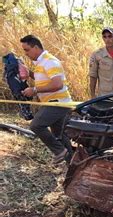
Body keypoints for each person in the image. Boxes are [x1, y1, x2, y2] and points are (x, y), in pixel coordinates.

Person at [20, 34, 72, 164]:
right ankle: (74, 164)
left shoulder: (49, 61)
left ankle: (60, 151)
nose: (25, 53)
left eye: (27, 50)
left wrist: (35, 90)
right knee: (61, 137)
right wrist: (29, 74)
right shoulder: (41, 63)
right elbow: (44, 79)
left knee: (36, 125)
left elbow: (57, 84)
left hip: (57, 104)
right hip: (58, 103)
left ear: (36, 47)